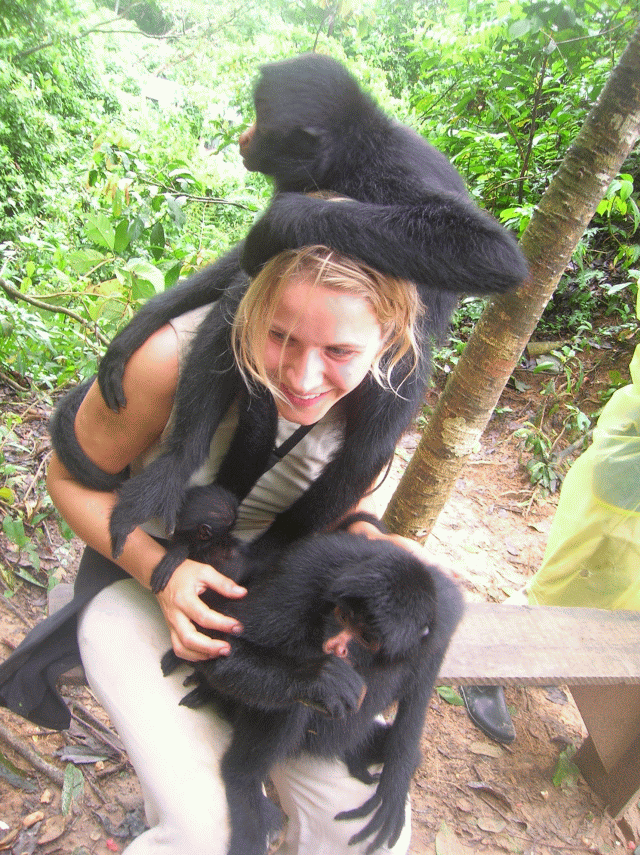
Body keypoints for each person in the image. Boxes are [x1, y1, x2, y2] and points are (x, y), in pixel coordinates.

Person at [3, 245, 425, 855]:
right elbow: (67, 480)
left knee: (369, 834)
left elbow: (339, 513)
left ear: (388, 342)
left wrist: (374, 546)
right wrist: (164, 572)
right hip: (135, 582)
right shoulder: (167, 360)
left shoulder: (385, 392)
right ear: (250, 308)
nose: (304, 378)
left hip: (270, 609)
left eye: (339, 352)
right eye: (279, 336)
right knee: (210, 835)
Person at [462, 291, 640, 745]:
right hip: (627, 479)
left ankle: (551, 653)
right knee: (570, 577)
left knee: (621, 588)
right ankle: (486, 662)